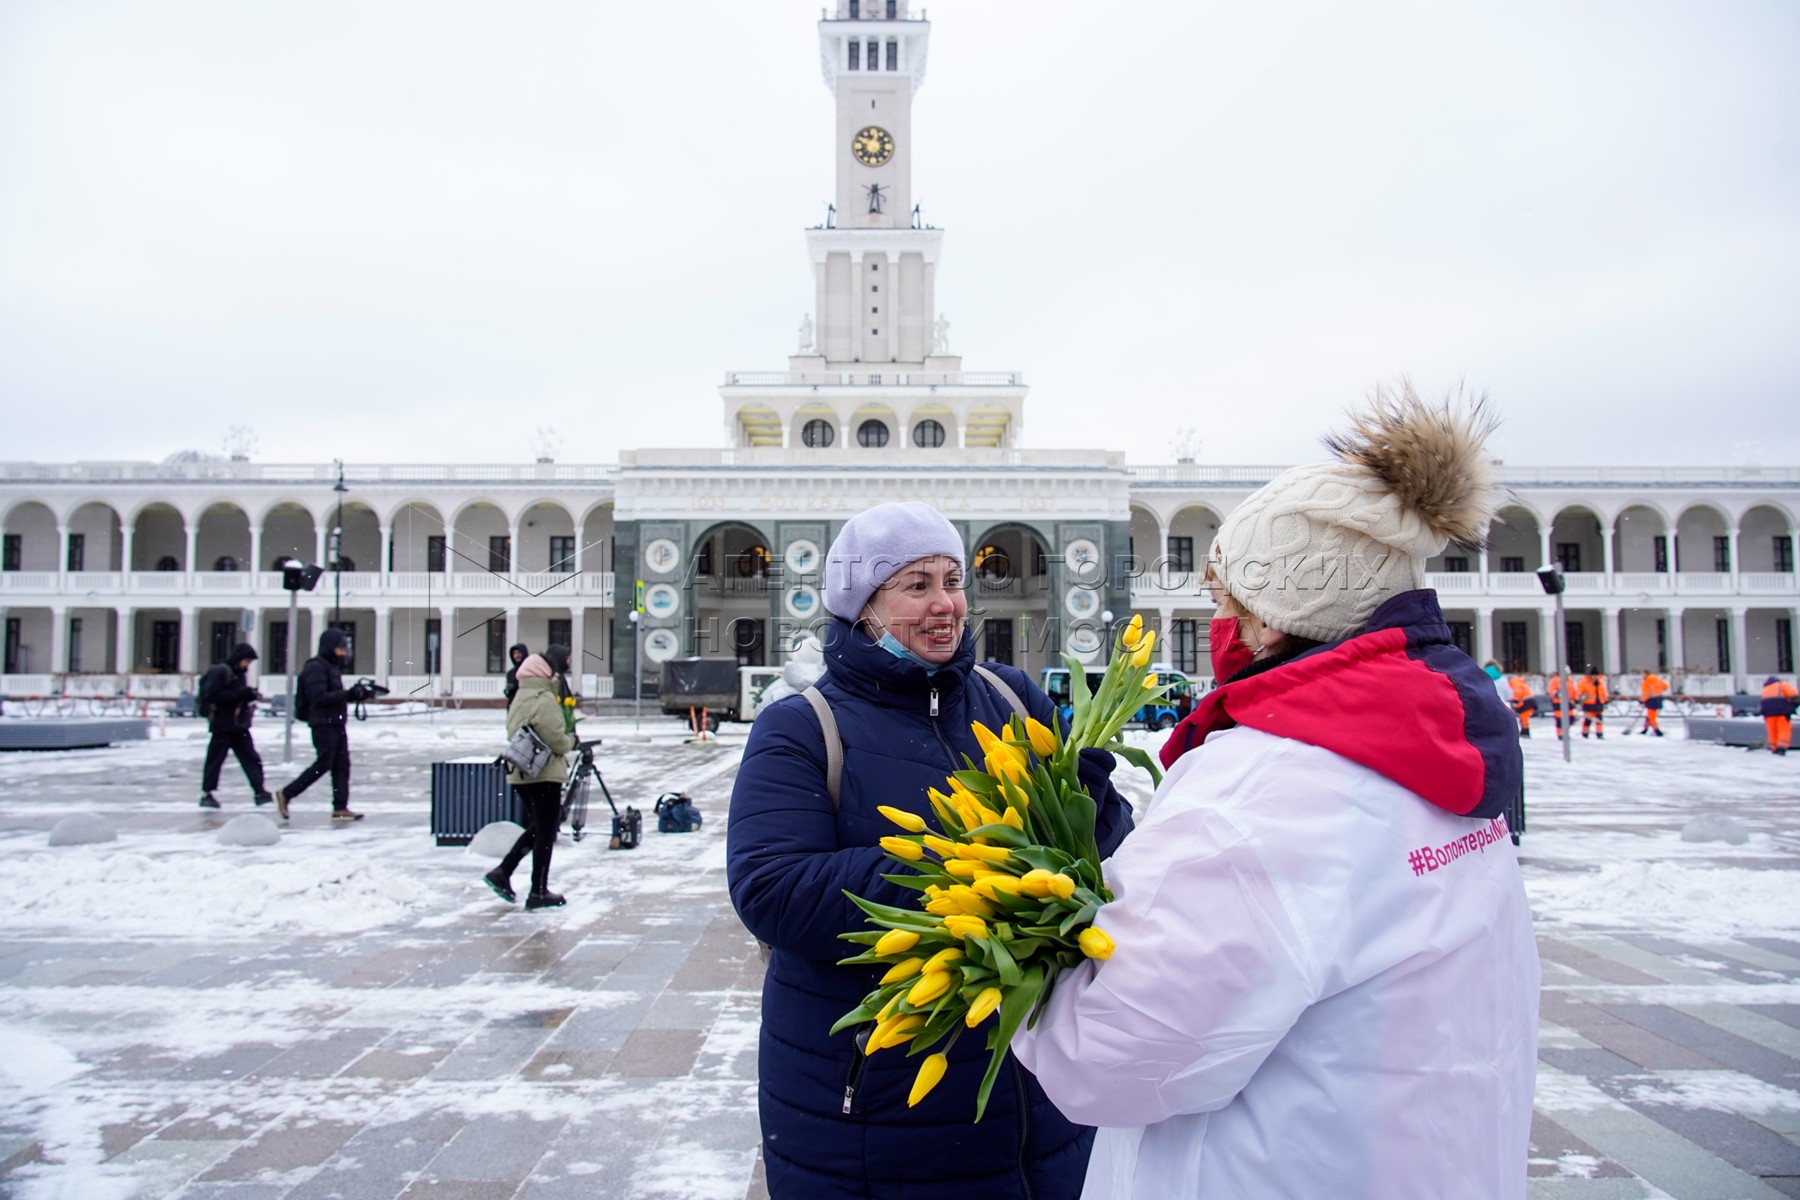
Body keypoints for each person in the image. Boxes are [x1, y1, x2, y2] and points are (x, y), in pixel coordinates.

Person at [1012, 386, 1538, 1200]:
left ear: (1269, 619)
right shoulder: (1447, 767)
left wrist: (1021, 945)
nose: (1218, 622)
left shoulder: (1264, 789)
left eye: (1224, 601)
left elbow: (1108, 1056)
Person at [726, 501, 1135, 1200]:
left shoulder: (1013, 698)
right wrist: (968, 873)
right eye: (916, 586)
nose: (945, 604)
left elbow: (1105, 860)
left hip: (1039, 1098)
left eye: (953, 579)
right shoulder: (801, 730)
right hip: (878, 1107)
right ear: (864, 608)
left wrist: (1087, 814)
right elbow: (772, 890)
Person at [484, 652, 578, 908]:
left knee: (540, 827)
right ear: (543, 673)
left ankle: (504, 873)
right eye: (553, 671)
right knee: (546, 831)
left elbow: (513, 731)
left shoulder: (520, 697)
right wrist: (572, 740)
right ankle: (536, 890)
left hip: (521, 772)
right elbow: (556, 739)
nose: (557, 676)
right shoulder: (544, 699)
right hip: (544, 773)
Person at [273, 628, 366, 822]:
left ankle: (340, 806)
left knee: (341, 766)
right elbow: (320, 697)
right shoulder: (316, 667)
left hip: (335, 722)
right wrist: (348, 694)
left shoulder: (331, 667)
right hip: (323, 724)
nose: (343, 654)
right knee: (324, 764)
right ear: (330, 648)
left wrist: (358, 695)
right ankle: (287, 793)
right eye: (340, 649)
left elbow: (334, 696)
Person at [197, 642, 273, 809]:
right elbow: (214, 695)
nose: (247, 665)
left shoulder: (239, 674)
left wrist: (249, 695)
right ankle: (207, 793)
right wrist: (241, 694)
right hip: (222, 725)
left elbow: (236, 694)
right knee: (215, 760)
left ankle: (259, 791)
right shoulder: (220, 672)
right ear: (238, 659)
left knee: (251, 758)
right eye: (246, 661)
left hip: (238, 725)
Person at [1761, 675, 1797, 756]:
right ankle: (1782, 747)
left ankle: (1774, 748)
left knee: (1772, 730)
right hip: (1781, 712)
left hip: (1768, 714)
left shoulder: (1765, 689)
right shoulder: (1782, 685)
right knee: (1783, 729)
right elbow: (1793, 696)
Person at [1632, 668, 1670, 736]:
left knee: (1651, 717)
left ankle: (1657, 731)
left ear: (1646, 674)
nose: (1642, 676)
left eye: (1643, 674)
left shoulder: (1647, 681)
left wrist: (1641, 700)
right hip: (1658, 698)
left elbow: (1646, 693)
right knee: (1649, 716)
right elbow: (1665, 686)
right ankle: (1645, 730)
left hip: (1651, 700)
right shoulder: (1657, 679)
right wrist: (1658, 691)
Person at [1576, 665, 1609, 738]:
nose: (1594, 677)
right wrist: (1581, 697)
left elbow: (1603, 692)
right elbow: (1579, 691)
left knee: (1599, 720)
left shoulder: (1600, 682)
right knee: (1588, 720)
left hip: (1598, 703)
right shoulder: (1585, 682)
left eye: (1595, 675)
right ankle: (1585, 733)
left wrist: (1605, 700)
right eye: (1593, 675)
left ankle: (1599, 733)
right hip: (1589, 704)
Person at [1508, 669, 1535, 737]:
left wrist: (1515, 703)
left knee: (1524, 718)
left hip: (1526, 703)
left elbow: (1517, 695)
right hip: (1530, 702)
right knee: (1524, 718)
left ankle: (1525, 732)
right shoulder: (1520, 683)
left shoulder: (1515, 684)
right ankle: (1524, 731)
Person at [502, 642, 530, 707]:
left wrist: (515, 685)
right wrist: (508, 690)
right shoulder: (510, 673)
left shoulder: (530, 671)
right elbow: (509, 693)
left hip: (526, 704)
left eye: (519, 653)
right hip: (513, 705)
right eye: (514, 653)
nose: (517, 656)